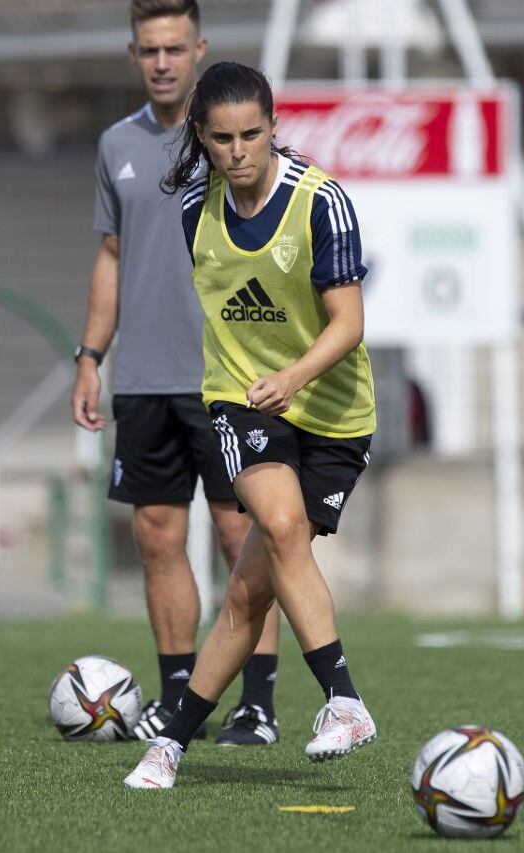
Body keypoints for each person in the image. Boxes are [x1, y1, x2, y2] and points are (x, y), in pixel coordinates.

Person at [123, 61, 377, 789]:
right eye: (223, 138)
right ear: (201, 137)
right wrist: (260, 388)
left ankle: (168, 744)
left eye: (252, 134)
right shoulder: (191, 210)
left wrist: (293, 379)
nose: (239, 151)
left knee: (246, 593)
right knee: (283, 525)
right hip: (240, 400)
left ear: (274, 128)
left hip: (332, 413)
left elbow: (349, 323)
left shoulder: (321, 202)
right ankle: (344, 700)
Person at [71, 0, 286, 747]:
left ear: (199, 48)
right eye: (147, 50)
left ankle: (256, 705)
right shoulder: (115, 146)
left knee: (241, 538)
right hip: (144, 379)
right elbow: (111, 255)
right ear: (133, 54)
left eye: (173, 47)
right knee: (158, 537)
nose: (161, 62)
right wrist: (91, 356)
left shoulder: (229, 139)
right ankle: (175, 697)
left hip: (229, 377)